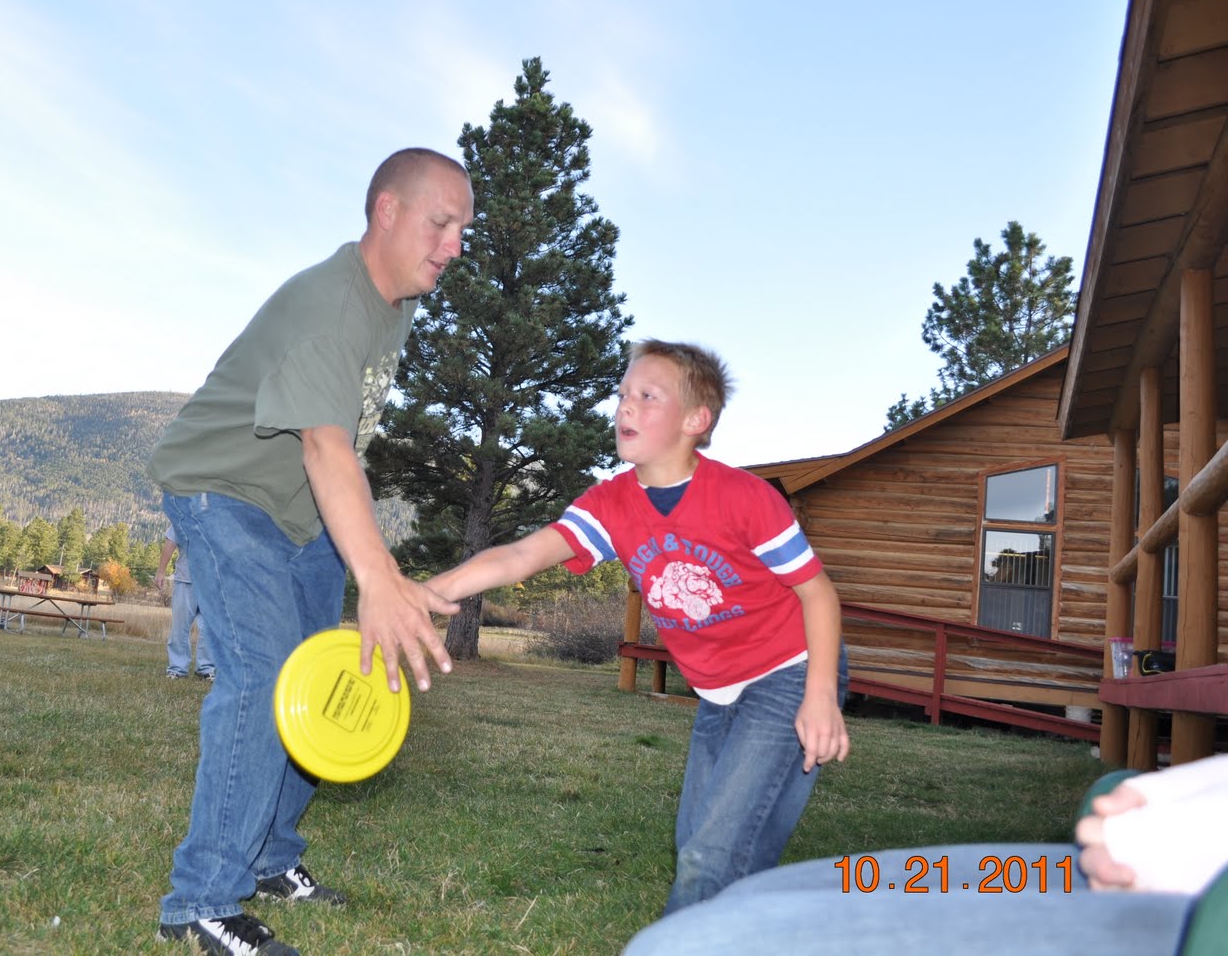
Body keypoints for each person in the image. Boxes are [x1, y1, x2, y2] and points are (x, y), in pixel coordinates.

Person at [148, 147, 474, 955]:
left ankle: (270, 857)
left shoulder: (397, 301)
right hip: (223, 491)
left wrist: (370, 560)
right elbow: (327, 445)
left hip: (300, 513)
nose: (455, 246)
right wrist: (378, 576)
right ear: (386, 210)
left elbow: (335, 452)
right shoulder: (333, 305)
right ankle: (203, 900)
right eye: (442, 223)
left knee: (320, 680)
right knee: (263, 679)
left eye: (464, 230)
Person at [425, 340, 850, 915]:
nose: (625, 405)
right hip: (720, 690)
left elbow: (817, 593)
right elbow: (521, 556)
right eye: (624, 393)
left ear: (696, 421)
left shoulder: (744, 498)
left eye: (648, 396)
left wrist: (820, 696)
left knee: (711, 854)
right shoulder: (612, 504)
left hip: (790, 673)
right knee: (707, 845)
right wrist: (428, 593)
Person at [619, 754, 1228, 955]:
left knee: (691, 947)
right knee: (759, 894)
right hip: (1126, 852)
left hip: (1190, 914)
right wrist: (1158, 794)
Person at [157, 525, 213, 680]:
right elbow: (170, 542)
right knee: (180, 627)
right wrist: (160, 571)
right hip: (185, 580)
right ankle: (177, 669)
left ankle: (206, 669)